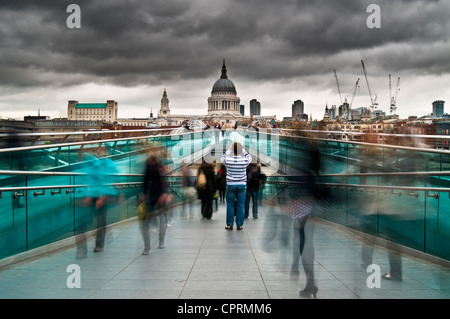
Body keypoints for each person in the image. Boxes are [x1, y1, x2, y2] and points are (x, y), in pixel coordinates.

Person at [76, 146, 121, 258]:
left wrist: (101, 196)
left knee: (100, 219)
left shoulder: (101, 163)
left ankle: (99, 244)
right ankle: (83, 247)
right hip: (90, 195)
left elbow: (104, 180)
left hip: (99, 194)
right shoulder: (86, 164)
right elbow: (85, 180)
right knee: (84, 222)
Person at [140, 153, 171, 255]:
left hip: (157, 195)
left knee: (160, 219)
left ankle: (157, 242)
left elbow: (164, 181)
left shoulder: (158, 165)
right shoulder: (150, 165)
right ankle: (149, 245)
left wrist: (164, 193)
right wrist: (144, 193)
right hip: (151, 195)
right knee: (148, 221)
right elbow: (145, 180)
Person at [220, 142, 252, 230]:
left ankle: (230, 224)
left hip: (230, 185)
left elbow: (222, 159)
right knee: (240, 205)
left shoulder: (228, 160)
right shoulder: (244, 160)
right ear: (240, 151)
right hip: (242, 185)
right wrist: (242, 149)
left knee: (230, 205)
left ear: (232, 150)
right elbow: (250, 157)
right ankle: (239, 224)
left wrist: (229, 150)